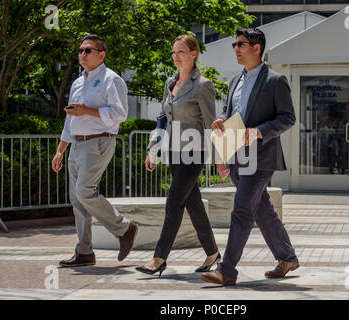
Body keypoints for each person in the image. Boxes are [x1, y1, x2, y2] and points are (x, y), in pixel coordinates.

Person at [201, 27, 298, 286]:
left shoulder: (275, 81)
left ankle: (227, 270)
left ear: (257, 47)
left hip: (262, 157)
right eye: (235, 44)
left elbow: (288, 118)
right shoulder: (234, 80)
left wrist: (258, 132)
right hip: (236, 156)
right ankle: (287, 257)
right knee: (262, 209)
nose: (236, 48)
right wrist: (221, 120)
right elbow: (229, 110)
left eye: (241, 44)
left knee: (242, 209)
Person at [135, 35, 221, 277]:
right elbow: (162, 118)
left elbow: (209, 123)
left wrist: (219, 158)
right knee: (192, 203)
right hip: (173, 151)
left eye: (181, 51)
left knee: (174, 201)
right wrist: (153, 148)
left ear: (194, 54)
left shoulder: (203, 85)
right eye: (174, 52)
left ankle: (159, 258)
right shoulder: (169, 82)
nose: (175, 56)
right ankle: (213, 252)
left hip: (195, 152)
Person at [52, 34, 138, 267]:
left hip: (99, 141)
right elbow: (71, 119)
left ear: (102, 54)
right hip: (77, 144)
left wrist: (88, 111)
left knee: (85, 192)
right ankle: (84, 252)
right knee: (77, 200)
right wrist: (60, 150)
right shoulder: (78, 82)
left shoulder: (112, 79)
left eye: (88, 50)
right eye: (80, 50)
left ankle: (124, 229)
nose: (82, 54)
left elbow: (120, 114)